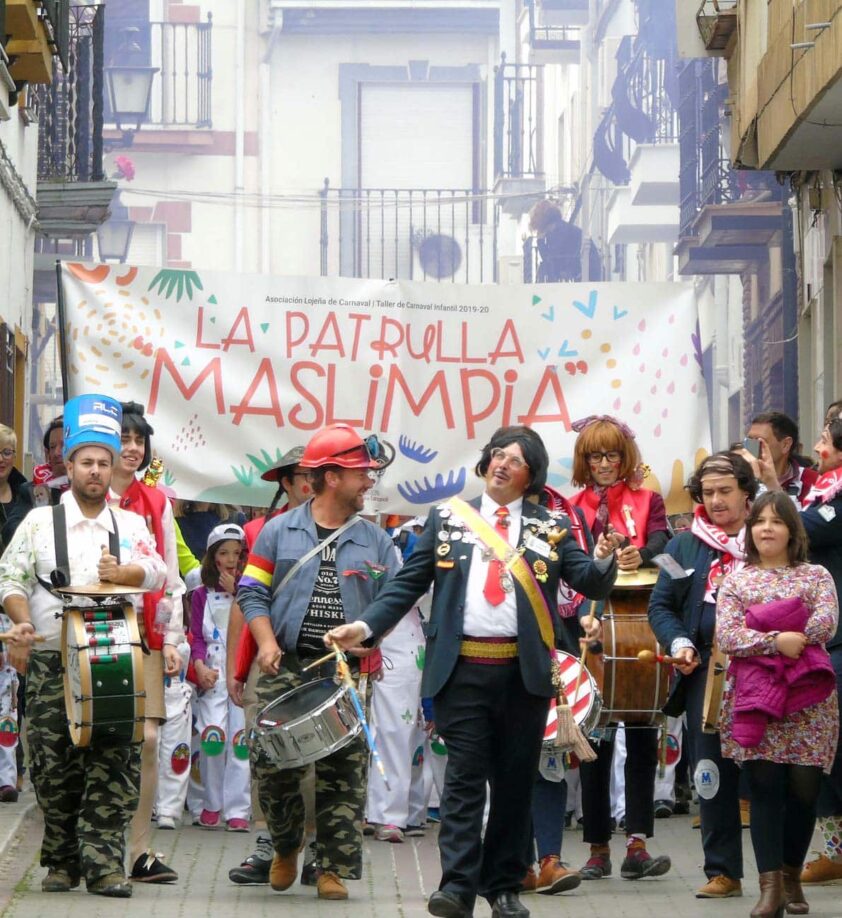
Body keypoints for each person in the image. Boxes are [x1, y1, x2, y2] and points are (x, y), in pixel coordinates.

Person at [326, 425, 620, 918]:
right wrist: (364, 626)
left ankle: (503, 886)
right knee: (463, 782)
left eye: (516, 459)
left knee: (512, 783)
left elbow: (587, 577)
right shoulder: (445, 519)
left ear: (532, 476)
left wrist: (607, 557)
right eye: (497, 454)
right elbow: (405, 585)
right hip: (460, 672)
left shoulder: (550, 527)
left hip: (523, 677)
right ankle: (457, 888)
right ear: (485, 463)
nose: (503, 463)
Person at [0, 394, 166, 897]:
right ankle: (61, 862)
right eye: (86, 461)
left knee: (114, 764)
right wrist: (22, 623)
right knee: (53, 768)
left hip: (115, 657)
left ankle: (105, 867)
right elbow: (9, 578)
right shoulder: (37, 523)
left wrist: (130, 572)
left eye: (103, 462)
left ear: (113, 467)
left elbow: (160, 572)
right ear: (68, 464)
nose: (95, 471)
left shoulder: (130, 524)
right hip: (52, 661)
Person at [237, 424, 400, 902]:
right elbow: (251, 590)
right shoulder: (277, 531)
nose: (369, 482)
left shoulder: (377, 540)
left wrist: (373, 636)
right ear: (332, 478)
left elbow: (393, 599)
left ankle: (331, 867)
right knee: (271, 763)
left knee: (345, 770)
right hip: (284, 666)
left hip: (344, 671)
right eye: (361, 474)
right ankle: (287, 844)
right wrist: (265, 642)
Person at [715, 491, 838, 917]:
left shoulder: (817, 575)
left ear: (792, 530)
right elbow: (728, 636)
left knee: (804, 791)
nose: (767, 528)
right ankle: (769, 889)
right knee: (764, 788)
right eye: (759, 521)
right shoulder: (736, 580)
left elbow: (824, 623)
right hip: (755, 697)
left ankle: (790, 876)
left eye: (777, 521)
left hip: (809, 697)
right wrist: (774, 639)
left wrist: (764, 622)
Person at [648, 451, 758, 899]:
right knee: (711, 769)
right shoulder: (680, 546)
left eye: (725, 491)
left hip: (765, 670)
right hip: (706, 675)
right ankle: (723, 871)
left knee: (770, 773)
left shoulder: (770, 535)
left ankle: (780, 870)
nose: (715, 501)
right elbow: (661, 605)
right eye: (707, 492)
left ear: (747, 493)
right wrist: (679, 642)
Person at [566, 415, 672, 881]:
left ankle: (638, 844)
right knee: (594, 741)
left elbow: (667, 546)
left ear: (624, 456)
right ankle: (596, 848)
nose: (604, 464)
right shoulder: (570, 508)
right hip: (591, 628)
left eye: (611, 455)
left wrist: (639, 553)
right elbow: (564, 564)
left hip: (642, 626)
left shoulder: (649, 499)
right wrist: (599, 560)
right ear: (584, 460)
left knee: (643, 736)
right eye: (595, 456)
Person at [755, 418, 842, 885]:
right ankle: (828, 851)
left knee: (823, 760)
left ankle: (831, 849)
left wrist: (772, 492)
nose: (819, 449)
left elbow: (803, 530)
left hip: (832, 644)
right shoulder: (826, 489)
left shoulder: (834, 500)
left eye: (826, 442)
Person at [227, 444, 311, 887]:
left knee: (320, 756)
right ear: (287, 482)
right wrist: (235, 668)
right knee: (266, 752)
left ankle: (317, 848)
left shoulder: (353, 529)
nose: (315, 481)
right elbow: (246, 601)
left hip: (320, 662)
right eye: (306, 473)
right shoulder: (259, 530)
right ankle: (268, 841)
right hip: (268, 660)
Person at [108, 401, 183, 884]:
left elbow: (172, 578)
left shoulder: (157, 503)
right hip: (90, 633)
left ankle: (138, 852)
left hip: (147, 635)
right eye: (124, 440)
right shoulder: (74, 501)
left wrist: (174, 639)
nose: (132, 449)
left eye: (139, 441)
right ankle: (89, 847)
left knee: (149, 740)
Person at [190, 523, 250, 830]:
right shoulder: (201, 595)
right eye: (223, 553)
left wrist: (238, 592)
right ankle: (211, 803)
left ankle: (238, 808)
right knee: (213, 737)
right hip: (213, 671)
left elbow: (256, 624)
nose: (230, 559)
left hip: (240, 671)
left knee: (240, 740)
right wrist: (199, 665)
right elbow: (196, 637)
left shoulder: (250, 591)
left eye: (236, 554)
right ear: (213, 558)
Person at [744, 411, 818, 508]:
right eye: (750, 441)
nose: (753, 448)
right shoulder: (742, 480)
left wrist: (772, 483)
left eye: (760, 441)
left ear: (785, 445)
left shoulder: (812, 481)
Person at [529, 200, 582, 283]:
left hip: (586, 273)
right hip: (582, 273)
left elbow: (550, 260)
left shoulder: (559, 232)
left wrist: (540, 241)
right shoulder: (561, 228)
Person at [24, 416, 69, 508]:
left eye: (63, 445)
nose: (56, 453)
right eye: (52, 447)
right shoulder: (29, 491)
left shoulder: (96, 487)